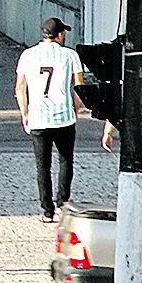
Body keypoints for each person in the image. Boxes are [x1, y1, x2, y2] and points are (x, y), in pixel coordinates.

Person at [17, 16, 90, 221]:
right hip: (64, 117)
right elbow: (79, 87)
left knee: (43, 166)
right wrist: (76, 110)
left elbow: (20, 87)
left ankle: (47, 211)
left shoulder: (28, 55)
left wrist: (25, 113)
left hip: (38, 117)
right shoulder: (70, 55)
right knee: (65, 160)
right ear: (59, 35)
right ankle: (63, 203)